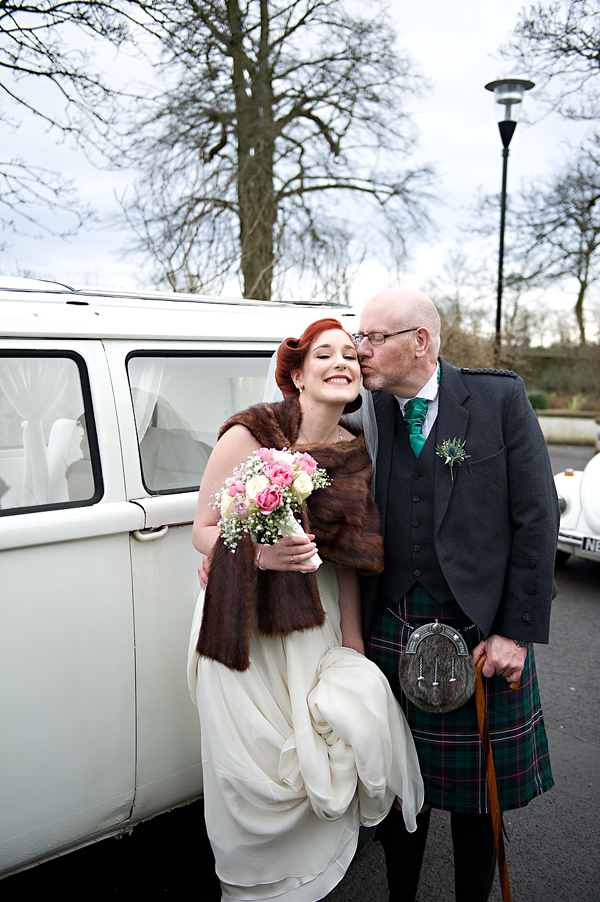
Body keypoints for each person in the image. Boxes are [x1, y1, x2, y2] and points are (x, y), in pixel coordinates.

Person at [187, 318, 424, 902]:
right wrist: (259, 554)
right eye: (325, 354)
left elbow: (346, 559)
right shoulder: (251, 433)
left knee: (335, 722)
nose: (342, 361)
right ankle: (250, 886)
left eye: (350, 353)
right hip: (240, 620)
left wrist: (351, 637)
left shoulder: (356, 453)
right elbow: (201, 529)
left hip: (311, 622)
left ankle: (307, 881)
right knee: (250, 766)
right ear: (296, 373)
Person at [355, 288, 559, 902]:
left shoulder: (497, 399)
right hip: (391, 623)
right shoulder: (365, 409)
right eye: (358, 337)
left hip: (480, 629)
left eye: (372, 338)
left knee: (477, 802)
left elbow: (537, 516)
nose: (360, 351)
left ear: (419, 341)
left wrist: (516, 631)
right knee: (398, 791)